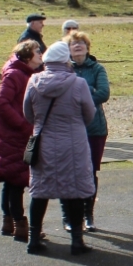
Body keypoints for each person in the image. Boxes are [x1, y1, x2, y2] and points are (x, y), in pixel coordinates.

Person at [21, 41, 97, 254]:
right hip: (73, 144)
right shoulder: (78, 84)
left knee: (39, 192)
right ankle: (77, 241)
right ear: (66, 60)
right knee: (74, 192)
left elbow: (28, 113)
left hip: (43, 142)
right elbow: (89, 114)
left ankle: (33, 239)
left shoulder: (33, 81)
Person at [0, 40, 42, 241]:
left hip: (26, 135)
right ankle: (20, 224)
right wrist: (22, 125)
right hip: (15, 136)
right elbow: (1, 103)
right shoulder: (15, 75)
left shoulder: (29, 74)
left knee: (13, 179)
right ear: (27, 55)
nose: (41, 54)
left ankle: (9, 221)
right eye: (38, 51)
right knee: (16, 180)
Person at [67, 30, 110, 231]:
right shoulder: (65, 69)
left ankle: (88, 215)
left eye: (81, 43)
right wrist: (87, 91)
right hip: (70, 128)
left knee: (90, 172)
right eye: (74, 43)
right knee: (70, 172)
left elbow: (103, 93)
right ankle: (69, 216)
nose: (78, 46)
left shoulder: (97, 68)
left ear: (87, 47)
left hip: (94, 129)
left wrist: (79, 95)